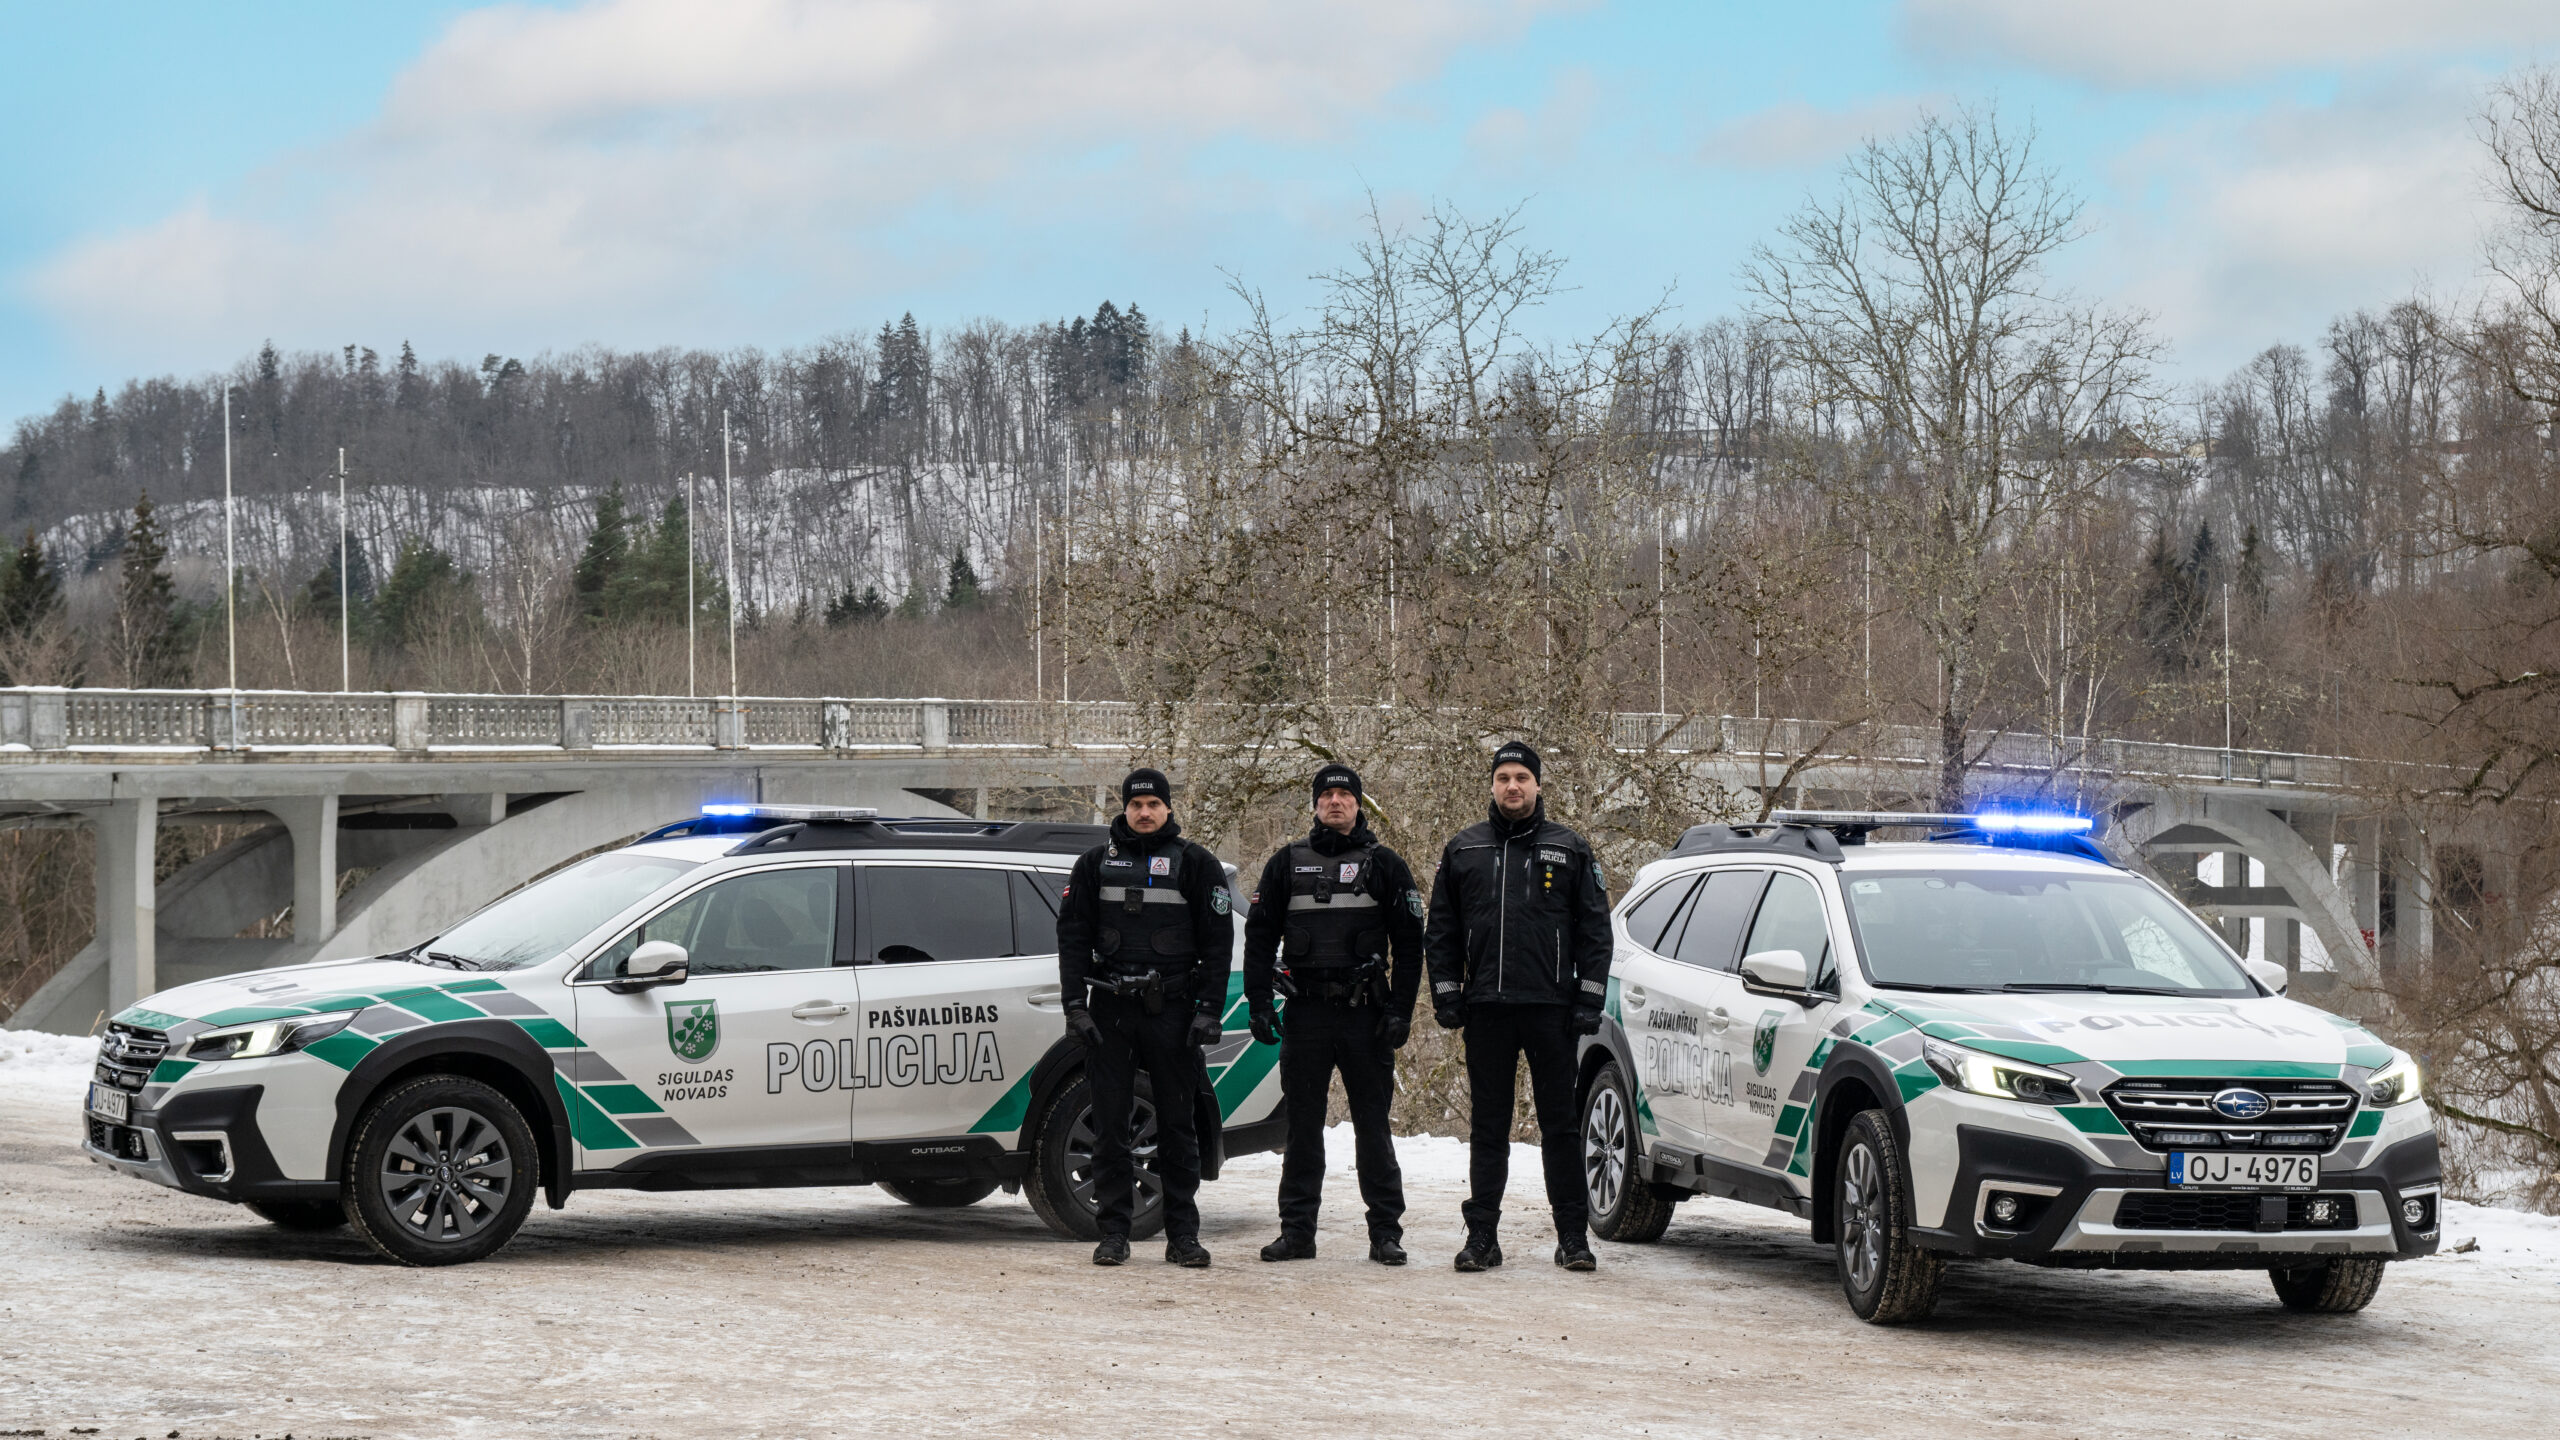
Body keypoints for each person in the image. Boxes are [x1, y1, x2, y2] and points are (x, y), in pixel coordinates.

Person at [1423, 741, 1613, 1273]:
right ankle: (1482, 1237)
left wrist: (1588, 1001)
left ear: (1537, 785)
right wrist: (1447, 992)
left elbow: (1596, 932)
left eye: (1522, 778)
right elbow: (1440, 930)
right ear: (1492, 785)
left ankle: (1573, 1238)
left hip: (1552, 1010)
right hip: (1486, 1009)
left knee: (1561, 1127)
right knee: (1489, 1127)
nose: (1513, 786)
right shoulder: (1464, 849)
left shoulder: (1570, 848)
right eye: (1504, 777)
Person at [1241, 763, 1426, 1266]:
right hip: (1305, 1015)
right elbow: (1257, 939)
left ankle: (1385, 1233)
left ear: (1359, 804)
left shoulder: (1385, 864)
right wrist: (1259, 1003)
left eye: (1345, 794)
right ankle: (1297, 1232)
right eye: (1327, 795)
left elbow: (1411, 946)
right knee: (1302, 1129)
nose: (1336, 802)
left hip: (1365, 1016)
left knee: (1373, 1127)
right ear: (1315, 805)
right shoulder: (1286, 864)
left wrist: (1400, 1011)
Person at [1057, 767, 1234, 1267]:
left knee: (1178, 1126)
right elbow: (1072, 939)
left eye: (1154, 804)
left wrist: (1208, 1011)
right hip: (1111, 1010)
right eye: (1136, 805)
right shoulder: (1094, 865)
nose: (1144, 812)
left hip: (1173, 1011)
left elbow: (1219, 944)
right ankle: (1113, 1233)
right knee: (1110, 1127)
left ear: (1168, 808)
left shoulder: (1197, 864)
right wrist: (1075, 1007)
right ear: (1124, 808)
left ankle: (1183, 1236)